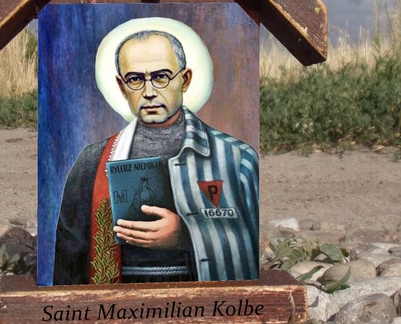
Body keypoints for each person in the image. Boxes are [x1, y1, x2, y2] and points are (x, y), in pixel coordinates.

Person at [54, 28, 259, 285]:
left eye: (161, 76)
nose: (149, 91)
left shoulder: (237, 159)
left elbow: (248, 244)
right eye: (135, 79)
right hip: (115, 303)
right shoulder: (93, 160)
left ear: (184, 79)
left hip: (204, 301)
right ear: (121, 86)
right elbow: (69, 252)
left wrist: (185, 236)